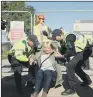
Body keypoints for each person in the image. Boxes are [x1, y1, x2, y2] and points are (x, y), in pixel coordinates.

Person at [53, 29, 92, 95]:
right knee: (76, 68)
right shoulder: (62, 41)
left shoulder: (69, 37)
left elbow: (71, 51)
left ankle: (72, 89)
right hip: (82, 51)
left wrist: (62, 56)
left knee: (70, 66)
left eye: (55, 37)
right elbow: (63, 50)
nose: (54, 39)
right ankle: (87, 80)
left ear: (60, 35)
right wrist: (57, 54)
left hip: (86, 50)